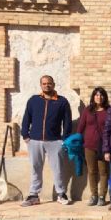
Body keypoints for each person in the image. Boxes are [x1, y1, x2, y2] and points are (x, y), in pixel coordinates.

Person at [20, 75, 72, 206]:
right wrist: (25, 134)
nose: (46, 85)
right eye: (44, 83)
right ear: (40, 85)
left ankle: (61, 193)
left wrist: (64, 139)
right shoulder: (33, 100)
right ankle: (33, 195)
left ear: (53, 84)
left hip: (54, 141)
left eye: (49, 83)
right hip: (35, 140)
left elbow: (67, 122)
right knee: (35, 168)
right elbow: (27, 118)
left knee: (58, 168)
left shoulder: (62, 102)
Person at [76, 87, 110, 206]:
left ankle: (102, 196)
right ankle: (94, 195)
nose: (98, 97)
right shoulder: (87, 110)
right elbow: (81, 126)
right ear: (93, 97)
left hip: (103, 146)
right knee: (91, 171)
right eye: (96, 95)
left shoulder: (109, 111)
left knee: (104, 172)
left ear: (104, 97)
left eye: (101, 95)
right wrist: (77, 140)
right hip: (89, 145)